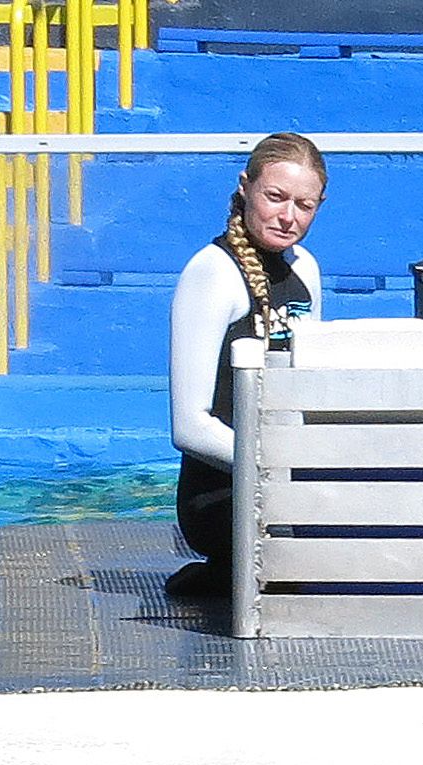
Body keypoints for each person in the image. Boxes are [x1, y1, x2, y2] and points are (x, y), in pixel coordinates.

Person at [168, 133, 327, 599]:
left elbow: (307, 390)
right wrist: (273, 467)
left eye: (305, 205)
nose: (288, 216)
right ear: (245, 187)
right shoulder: (212, 272)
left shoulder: (305, 269)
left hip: (286, 480)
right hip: (223, 494)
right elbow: (190, 427)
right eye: (275, 197)